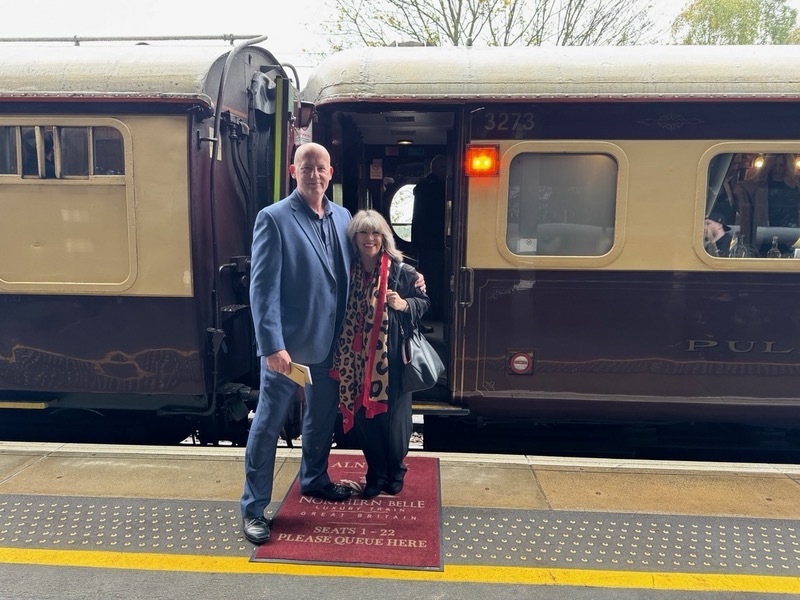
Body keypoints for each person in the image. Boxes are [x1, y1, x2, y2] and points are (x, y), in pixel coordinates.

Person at [240, 142, 355, 546]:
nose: (315, 174)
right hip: (287, 349)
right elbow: (262, 288)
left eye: (321, 168)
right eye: (307, 168)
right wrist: (271, 345)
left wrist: (408, 279)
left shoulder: (342, 217)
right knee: (269, 424)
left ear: (331, 171)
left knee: (321, 419)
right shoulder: (273, 219)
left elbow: (364, 265)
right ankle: (254, 508)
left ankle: (314, 478)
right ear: (294, 170)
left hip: (331, 345)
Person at [331, 209, 430, 499]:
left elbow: (424, 302)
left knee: (394, 419)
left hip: (391, 360)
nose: (369, 238)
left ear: (384, 237)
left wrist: (404, 304)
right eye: (363, 232)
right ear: (354, 237)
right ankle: (375, 472)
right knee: (364, 418)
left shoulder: (402, 270)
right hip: (355, 358)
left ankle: (395, 470)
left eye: (375, 233)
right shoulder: (346, 269)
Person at [733, 153, 800, 254]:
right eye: (774, 165)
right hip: (765, 232)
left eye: (781, 165)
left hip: (792, 232)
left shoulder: (796, 186)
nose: (777, 169)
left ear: (787, 165)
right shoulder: (760, 184)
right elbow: (742, 189)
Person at [411, 154, 446, 323]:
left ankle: (431, 311)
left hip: (425, 242)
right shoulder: (435, 188)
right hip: (434, 242)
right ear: (438, 169)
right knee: (434, 280)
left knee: (430, 278)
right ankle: (434, 311)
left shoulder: (423, 187)